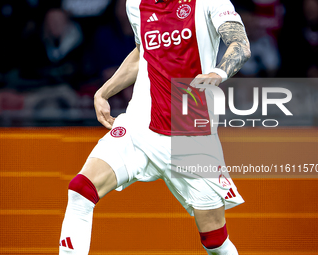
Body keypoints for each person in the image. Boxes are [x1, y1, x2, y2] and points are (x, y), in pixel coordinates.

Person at [59, 0, 251, 254]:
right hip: (140, 124)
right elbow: (143, 51)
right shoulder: (136, 4)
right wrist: (104, 91)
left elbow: (240, 45)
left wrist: (218, 73)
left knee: (214, 240)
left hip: (190, 133)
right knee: (81, 190)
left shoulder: (209, 1)